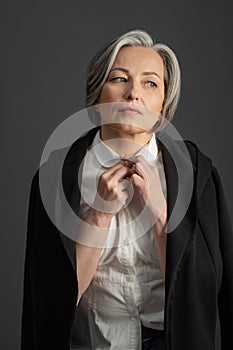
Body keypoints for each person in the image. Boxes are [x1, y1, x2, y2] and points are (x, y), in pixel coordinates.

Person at [21, 30, 233, 350]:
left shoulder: (199, 174)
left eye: (151, 83)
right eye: (120, 79)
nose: (134, 93)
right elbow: (48, 300)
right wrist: (98, 215)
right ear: (97, 94)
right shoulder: (55, 178)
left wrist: (161, 214)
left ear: (163, 104)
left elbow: (210, 291)